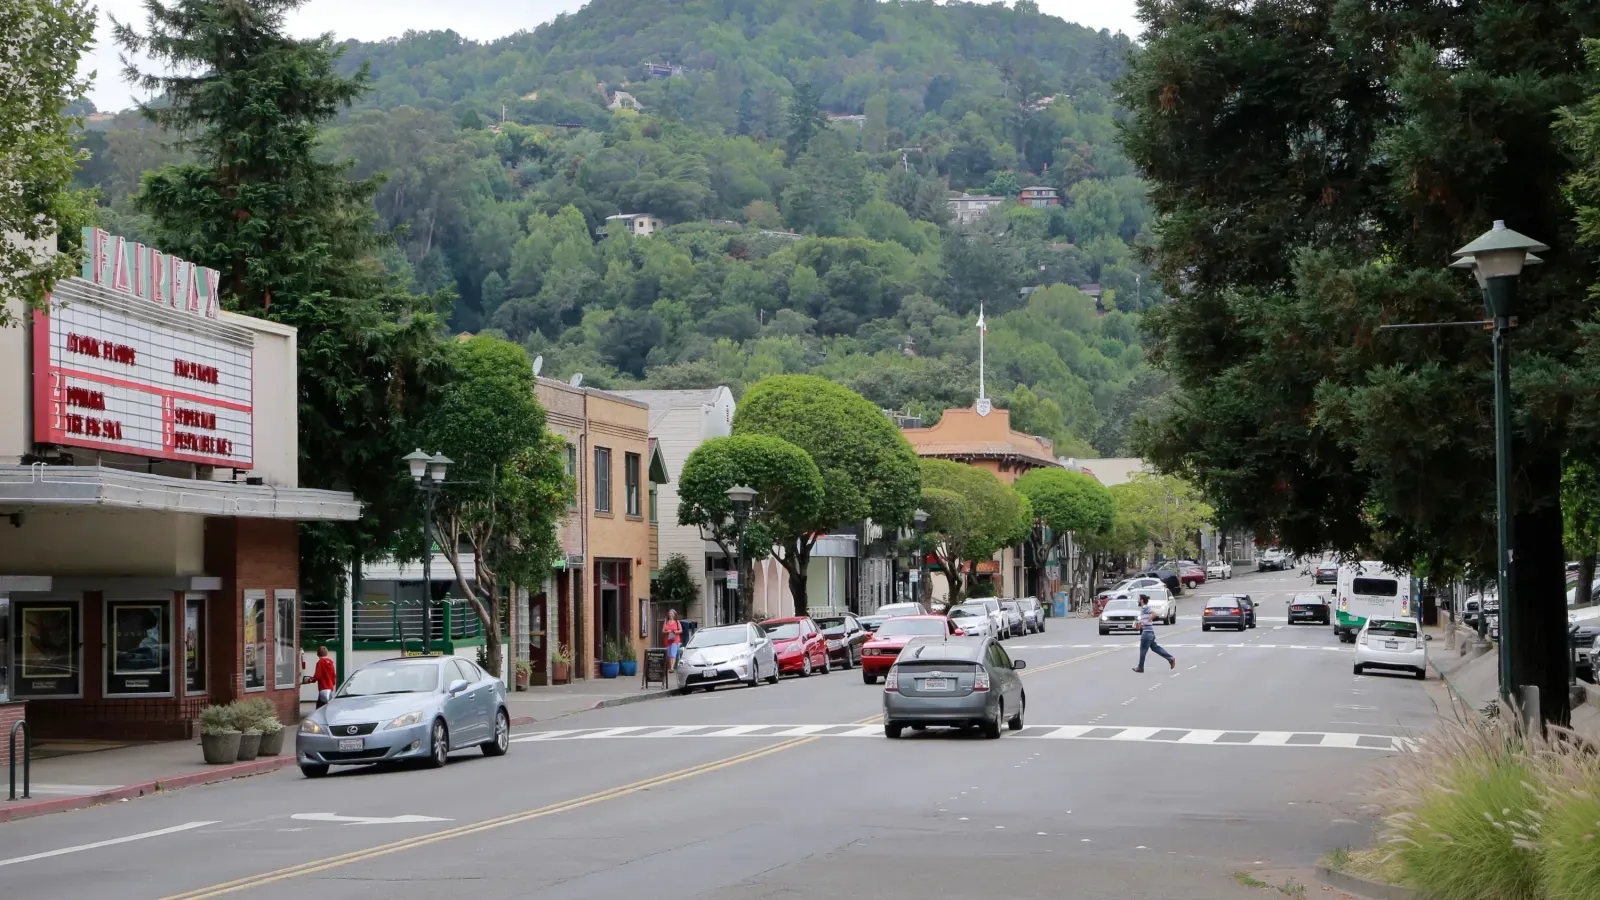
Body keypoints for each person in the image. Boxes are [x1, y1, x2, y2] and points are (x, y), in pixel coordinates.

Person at [1133, 593, 1176, 673]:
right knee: (1155, 648)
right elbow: (1144, 621)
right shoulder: (1143, 609)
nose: (1137, 601)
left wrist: (1147, 621)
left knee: (1143, 650)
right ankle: (1170, 658)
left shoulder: (1146, 607)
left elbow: (1154, 613)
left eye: (1138, 599)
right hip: (1149, 632)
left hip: (1147, 633)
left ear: (1142, 600)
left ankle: (1140, 667)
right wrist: (1140, 624)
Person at [663, 609, 683, 674]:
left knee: (673, 653)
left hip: (675, 639)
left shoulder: (677, 622)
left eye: (672, 614)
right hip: (667, 639)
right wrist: (667, 631)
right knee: (669, 654)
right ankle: (670, 667)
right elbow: (663, 631)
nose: (670, 615)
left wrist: (675, 632)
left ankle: (672, 668)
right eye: (669, 614)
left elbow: (681, 630)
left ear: (674, 615)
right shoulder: (666, 621)